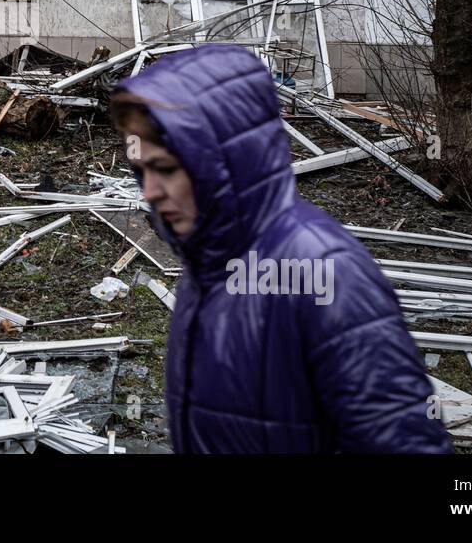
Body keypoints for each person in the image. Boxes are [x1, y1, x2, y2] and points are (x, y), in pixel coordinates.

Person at [111, 43, 450, 454]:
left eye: (165, 169)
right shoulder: (208, 260)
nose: (149, 191)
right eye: (142, 169)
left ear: (226, 160)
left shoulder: (326, 273)